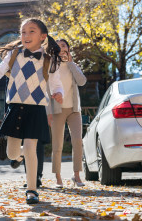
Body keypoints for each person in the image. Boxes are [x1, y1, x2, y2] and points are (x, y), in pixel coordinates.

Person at [0, 18, 64, 204]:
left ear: (42, 36)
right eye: (23, 32)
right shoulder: (14, 54)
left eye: (31, 31)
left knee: (32, 148)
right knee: (12, 154)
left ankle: (32, 190)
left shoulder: (49, 60)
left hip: (36, 108)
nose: (26, 35)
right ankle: (20, 156)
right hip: (15, 107)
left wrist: (58, 93)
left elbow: (56, 83)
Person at [47, 39, 87, 188]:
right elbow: (47, 90)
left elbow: (82, 81)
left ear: (68, 49)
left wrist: (70, 63)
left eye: (64, 46)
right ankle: (58, 178)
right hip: (57, 110)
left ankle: (76, 176)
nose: (61, 48)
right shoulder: (51, 66)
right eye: (58, 46)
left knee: (78, 141)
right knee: (57, 145)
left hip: (74, 110)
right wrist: (48, 111)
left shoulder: (73, 66)